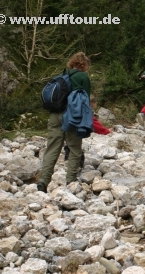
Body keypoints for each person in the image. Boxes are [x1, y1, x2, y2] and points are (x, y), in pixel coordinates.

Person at [37, 52, 92, 193]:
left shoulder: (61, 75)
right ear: (84, 65)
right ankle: (71, 181)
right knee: (74, 149)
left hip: (54, 115)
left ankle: (43, 180)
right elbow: (85, 100)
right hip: (72, 116)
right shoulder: (83, 77)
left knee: (52, 148)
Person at [63, 98, 112, 167]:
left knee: (69, 146)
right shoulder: (86, 110)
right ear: (92, 103)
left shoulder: (75, 106)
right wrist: (107, 131)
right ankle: (74, 169)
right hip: (74, 131)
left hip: (65, 127)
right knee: (76, 151)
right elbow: (93, 123)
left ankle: (67, 163)